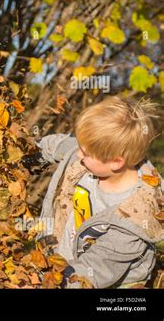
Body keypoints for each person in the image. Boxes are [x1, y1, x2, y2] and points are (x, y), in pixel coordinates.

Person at [35, 96, 163, 288]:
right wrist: (29, 154)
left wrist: (47, 282)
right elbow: (59, 146)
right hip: (58, 261)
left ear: (116, 161)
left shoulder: (133, 222)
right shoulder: (90, 158)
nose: (78, 154)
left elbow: (93, 272)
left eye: (85, 153)